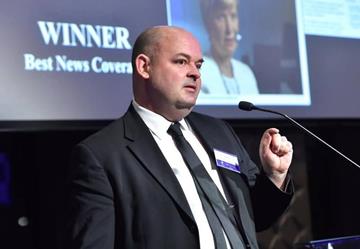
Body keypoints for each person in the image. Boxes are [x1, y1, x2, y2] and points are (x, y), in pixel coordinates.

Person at [62, 26, 293, 249]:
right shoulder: (102, 156)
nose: (195, 73)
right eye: (181, 61)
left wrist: (274, 175)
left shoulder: (219, 131)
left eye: (199, 64)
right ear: (144, 66)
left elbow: (256, 217)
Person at [199, 0, 259, 95]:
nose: (230, 29)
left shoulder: (246, 73)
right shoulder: (199, 72)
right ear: (208, 24)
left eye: (233, 16)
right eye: (221, 17)